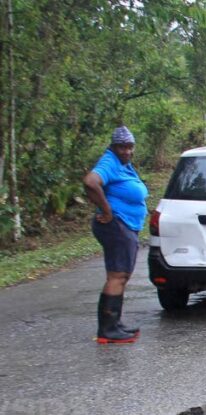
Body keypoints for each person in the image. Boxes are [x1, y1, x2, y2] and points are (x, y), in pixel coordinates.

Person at [83, 125, 149, 344]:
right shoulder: (109, 162)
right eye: (122, 147)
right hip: (116, 225)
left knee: (121, 275)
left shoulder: (123, 164)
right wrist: (107, 210)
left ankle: (114, 324)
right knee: (117, 276)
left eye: (130, 147)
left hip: (125, 225)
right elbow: (90, 182)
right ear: (113, 147)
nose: (127, 151)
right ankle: (108, 330)